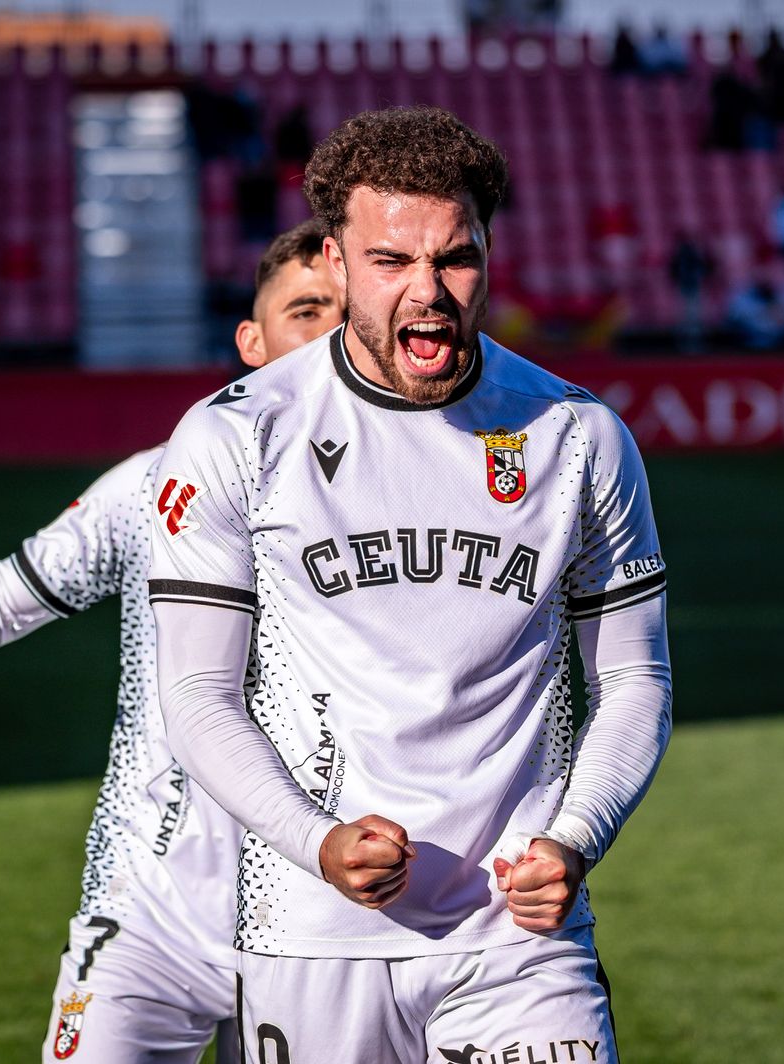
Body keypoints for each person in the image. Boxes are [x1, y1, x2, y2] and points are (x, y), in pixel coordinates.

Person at [148, 106, 673, 1062]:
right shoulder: (237, 435)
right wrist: (314, 840)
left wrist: (576, 839)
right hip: (310, 934)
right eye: (391, 261)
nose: (427, 293)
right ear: (337, 264)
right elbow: (195, 693)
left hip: (519, 938)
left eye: (456, 259)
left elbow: (637, 681)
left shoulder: (578, 434)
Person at [0, 219, 342, 1064]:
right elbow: (2, 596)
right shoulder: (152, 483)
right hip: (148, 913)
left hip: (329, 920)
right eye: (306, 310)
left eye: (347, 312)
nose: (328, 335)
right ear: (252, 340)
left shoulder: (421, 498)